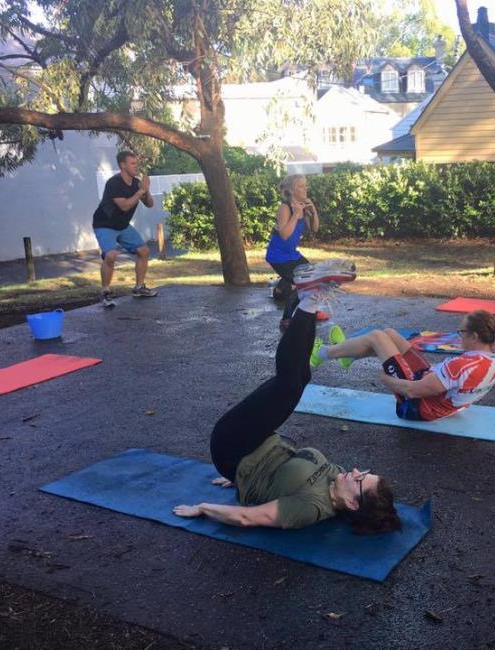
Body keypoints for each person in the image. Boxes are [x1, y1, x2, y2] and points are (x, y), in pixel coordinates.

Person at [173, 260, 401, 534]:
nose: (355, 471)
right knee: (302, 377)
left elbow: (248, 517)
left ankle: (309, 299)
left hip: (232, 450)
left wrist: (203, 508)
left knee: (289, 386)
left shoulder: (311, 507)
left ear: (353, 504)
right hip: (256, 443)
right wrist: (238, 481)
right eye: (363, 472)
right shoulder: (338, 479)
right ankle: (312, 299)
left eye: (360, 479)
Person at [311, 310, 495, 421]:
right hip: (431, 387)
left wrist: (386, 379)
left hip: (416, 406)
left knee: (376, 337)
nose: (458, 336)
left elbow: (412, 391)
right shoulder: (492, 356)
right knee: (389, 334)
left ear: (474, 337)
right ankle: (347, 355)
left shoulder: (462, 366)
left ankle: (322, 354)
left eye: (461, 332)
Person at [92, 151, 158, 308]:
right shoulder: (114, 183)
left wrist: (146, 189)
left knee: (143, 251)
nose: (136, 166)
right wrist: (141, 191)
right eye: (133, 163)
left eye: (137, 163)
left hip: (122, 225)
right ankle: (105, 292)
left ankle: (139, 288)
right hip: (105, 224)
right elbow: (125, 206)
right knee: (111, 255)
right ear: (123, 165)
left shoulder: (136, 183)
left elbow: (149, 204)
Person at [266, 174, 320, 330]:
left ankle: (280, 288)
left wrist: (313, 211)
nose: (305, 188)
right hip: (278, 256)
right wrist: (295, 214)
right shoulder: (285, 208)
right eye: (301, 186)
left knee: (313, 277)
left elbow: (314, 229)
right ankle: (286, 319)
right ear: (291, 190)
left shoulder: (303, 206)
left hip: (292, 254)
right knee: (300, 284)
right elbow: (284, 234)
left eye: (305, 185)